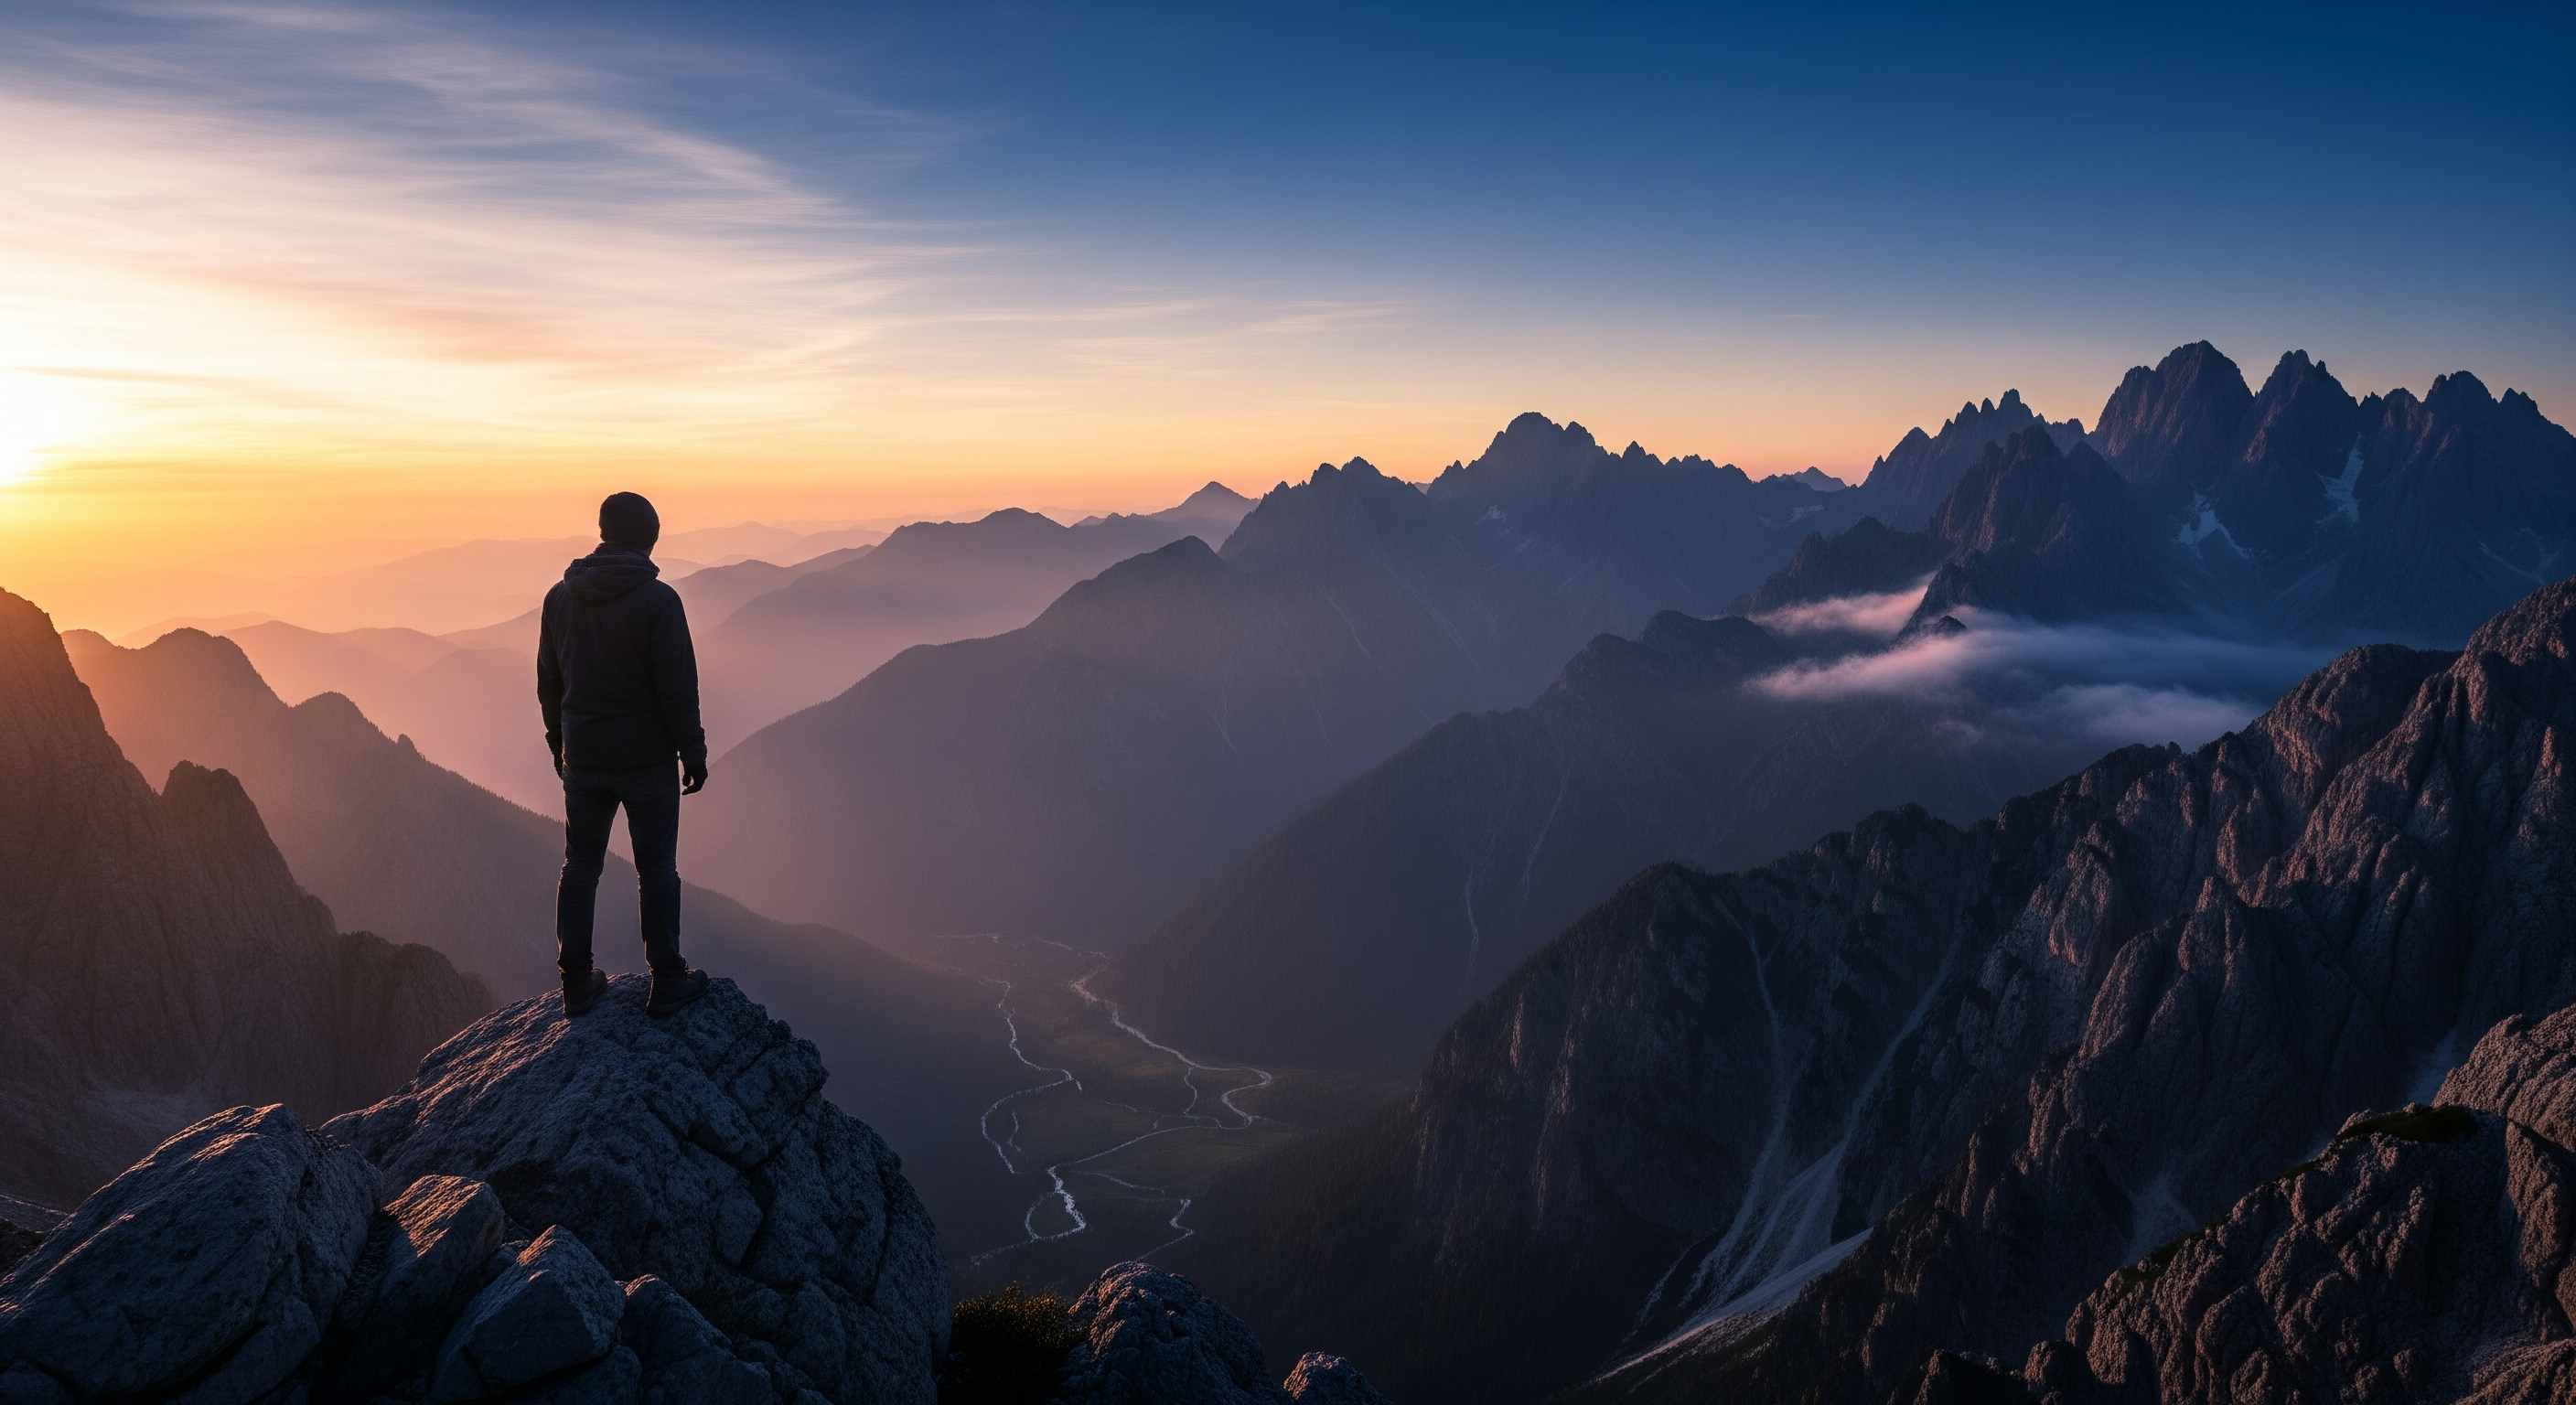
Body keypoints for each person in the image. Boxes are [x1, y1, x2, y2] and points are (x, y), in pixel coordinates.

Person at [538, 491, 712, 1018]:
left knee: (580, 864)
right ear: (649, 538)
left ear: (603, 532)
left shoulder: (559, 598)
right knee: (656, 867)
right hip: (645, 760)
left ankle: (576, 982)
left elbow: (550, 682)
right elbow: (677, 687)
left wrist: (557, 743)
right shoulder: (659, 602)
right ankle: (667, 980)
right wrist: (693, 752)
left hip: (584, 758)